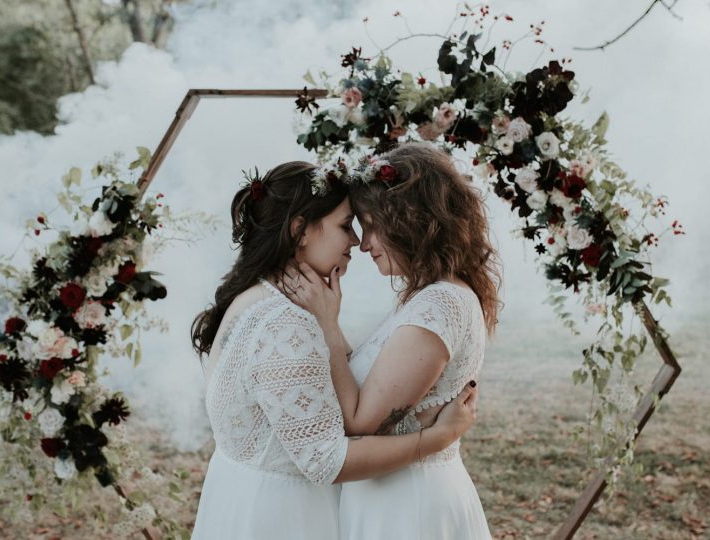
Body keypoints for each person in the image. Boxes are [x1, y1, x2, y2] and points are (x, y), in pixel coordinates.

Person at [189, 160, 479, 540]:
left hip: (241, 500)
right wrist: (436, 440)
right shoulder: (285, 323)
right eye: (346, 226)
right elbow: (326, 458)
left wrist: (328, 321)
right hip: (283, 517)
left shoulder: (257, 297)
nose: (356, 243)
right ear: (300, 231)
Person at [279, 143, 500, 539]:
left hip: (409, 509)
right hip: (389, 498)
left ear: (411, 221)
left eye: (371, 225)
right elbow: (368, 385)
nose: (364, 245)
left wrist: (328, 325)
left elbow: (362, 422)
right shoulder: (427, 296)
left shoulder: (441, 304)